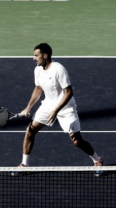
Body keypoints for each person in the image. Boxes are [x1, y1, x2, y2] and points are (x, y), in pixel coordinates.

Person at [13, 43, 103, 175]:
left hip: (65, 107)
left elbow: (68, 92)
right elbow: (38, 89)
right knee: (30, 130)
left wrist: (55, 110)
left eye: (36, 55)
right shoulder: (37, 70)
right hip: (48, 104)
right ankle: (24, 164)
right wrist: (28, 108)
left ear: (45, 55)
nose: (33, 58)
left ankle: (97, 160)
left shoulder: (59, 69)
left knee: (77, 141)